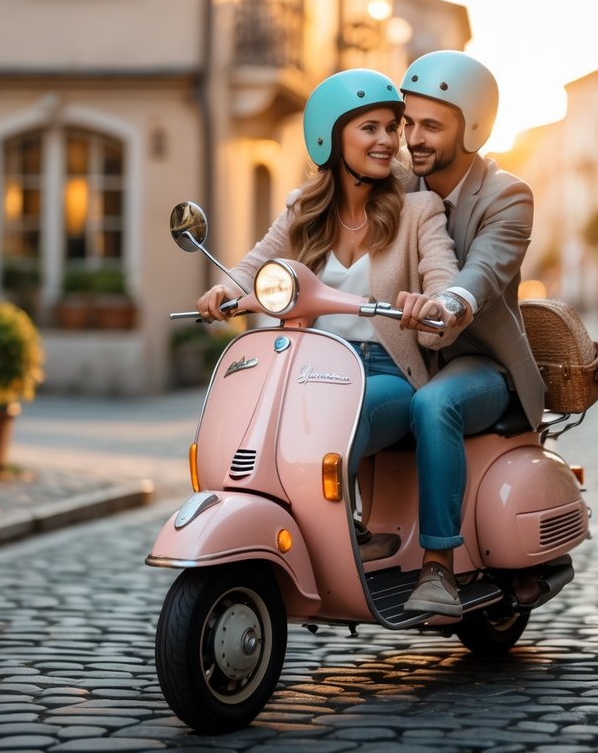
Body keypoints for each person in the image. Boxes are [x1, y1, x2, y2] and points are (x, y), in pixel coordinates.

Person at [196, 68, 459, 559]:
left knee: (333, 419)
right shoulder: (304, 207)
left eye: (391, 128)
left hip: (386, 371)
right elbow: (257, 264)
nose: (387, 140)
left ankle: (343, 529)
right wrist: (222, 291)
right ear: (331, 136)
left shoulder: (419, 209)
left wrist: (435, 303)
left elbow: (443, 274)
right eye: (370, 128)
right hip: (309, 364)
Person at [397, 50, 547, 617]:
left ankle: (438, 569)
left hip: (482, 364)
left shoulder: (508, 195)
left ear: (473, 128)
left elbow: (482, 272)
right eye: (408, 121)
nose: (414, 137)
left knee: (436, 405)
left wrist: (449, 301)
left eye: (432, 125)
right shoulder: (397, 180)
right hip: (407, 351)